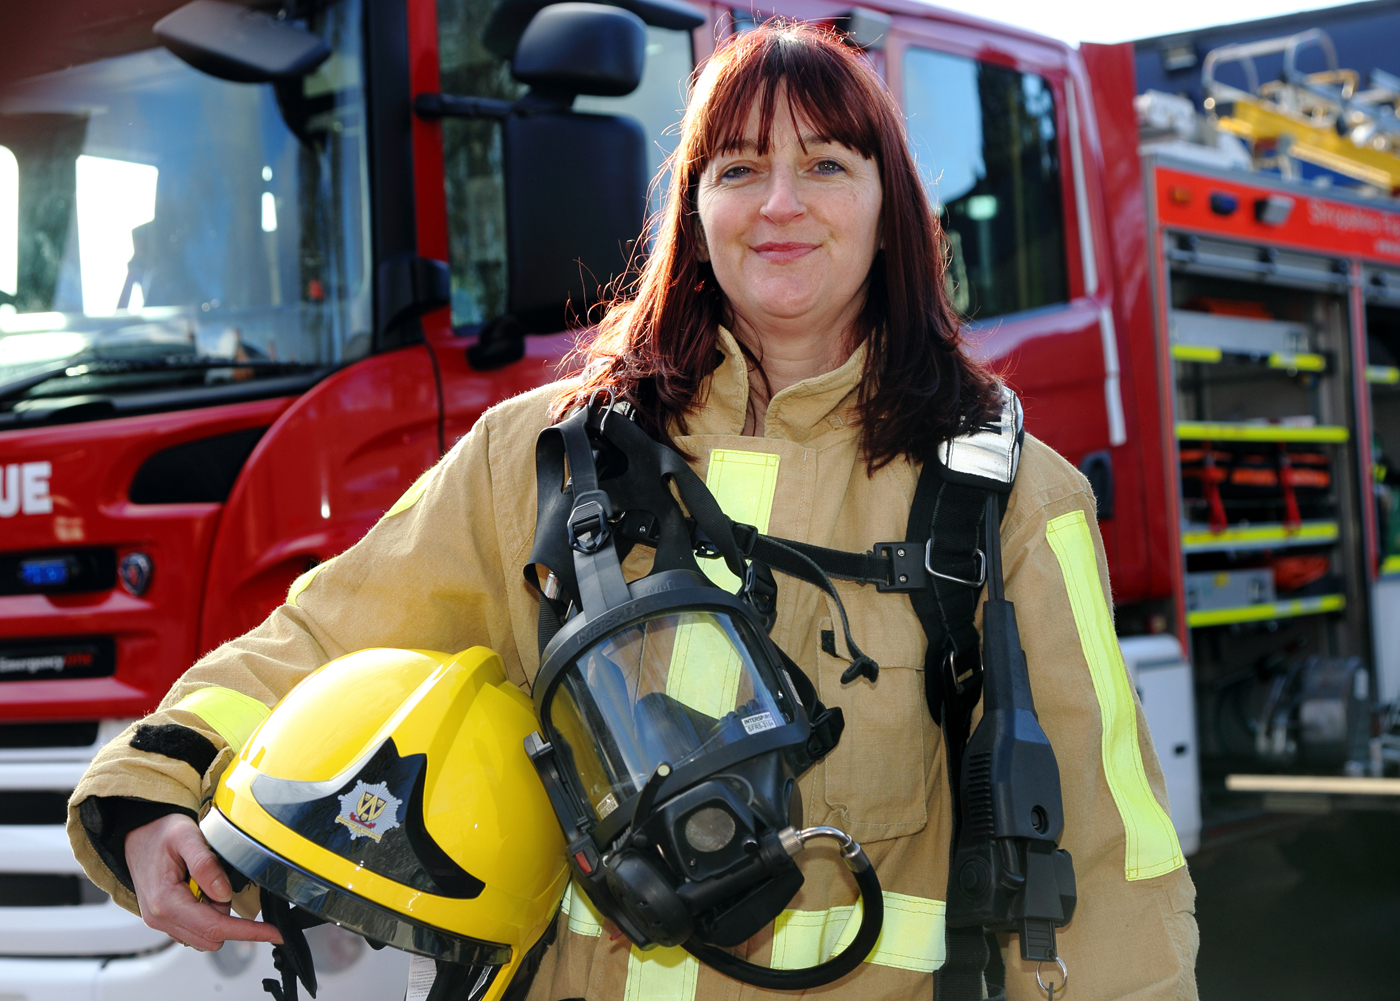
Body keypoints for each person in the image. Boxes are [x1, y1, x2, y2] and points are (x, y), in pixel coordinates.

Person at [68, 21, 1199, 1001]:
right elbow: (328, 639)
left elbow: (1106, 864)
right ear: (693, 211)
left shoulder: (1002, 497)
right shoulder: (540, 454)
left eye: (826, 164)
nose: (780, 205)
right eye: (739, 168)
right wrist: (155, 780)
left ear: (890, 208)